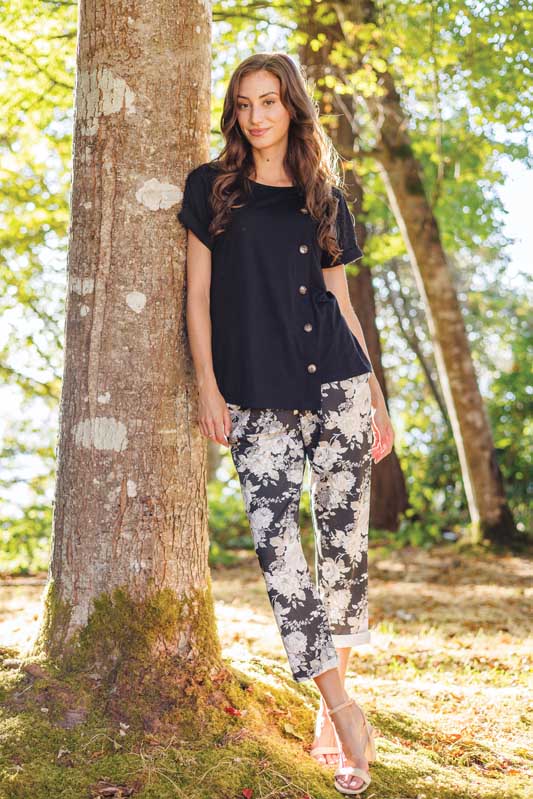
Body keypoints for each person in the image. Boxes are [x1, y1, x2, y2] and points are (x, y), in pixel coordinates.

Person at [178, 52, 394, 796]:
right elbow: (197, 298)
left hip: (337, 385)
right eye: (244, 104)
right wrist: (208, 387)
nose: (257, 115)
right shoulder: (212, 189)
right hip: (252, 397)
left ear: (293, 109)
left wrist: (375, 394)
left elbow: (341, 300)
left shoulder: (324, 197)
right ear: (234, 113)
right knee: (280, 553)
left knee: (343, 550)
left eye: (269, 101)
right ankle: (340, 703)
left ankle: (334, 724)